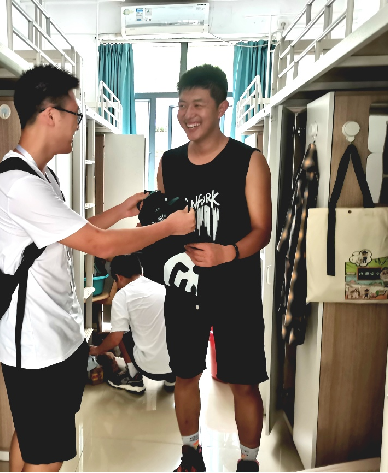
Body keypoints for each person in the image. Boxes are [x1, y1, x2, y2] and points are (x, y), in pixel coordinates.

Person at [0, 65, 196, 472]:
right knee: (46, 456)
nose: (77, 124)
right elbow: (100, 244)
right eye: (75, 114)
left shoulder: (41, 176)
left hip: (55, 337)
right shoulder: (20, 185)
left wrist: (121, 210)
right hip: (37, 346)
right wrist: (168, 228)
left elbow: (73, 232)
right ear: (51, 114)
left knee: (31, 438)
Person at [157, 65, 273, 473]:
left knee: (244, 382)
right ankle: (191, 456)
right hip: (184, 290)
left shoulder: (249, 161)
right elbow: (164, 226)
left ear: (223, 107)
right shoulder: (169, 163)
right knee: (185, 375)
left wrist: (227, 253)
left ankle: (249, 462)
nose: (188, 114)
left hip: (236, 290)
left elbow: (262, 230)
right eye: (181, 105)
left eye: (198, 105)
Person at [89, 254, 175, 394]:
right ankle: (171, 379)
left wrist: (97, 350)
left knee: (122, 330)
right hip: (177, 366)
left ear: (119, 277)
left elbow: (116, 338)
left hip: (151, 370)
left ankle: (134, 378)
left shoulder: (123, 295)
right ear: (141, 271)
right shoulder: (161, 288)